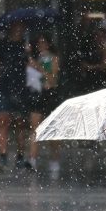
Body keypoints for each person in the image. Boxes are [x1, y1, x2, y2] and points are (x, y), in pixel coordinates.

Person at [0, 21, 32, 169]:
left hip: (21, 87)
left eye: (21, 26)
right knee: (3, 121)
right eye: (16, 26)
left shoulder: (26, 45)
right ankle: (3, 155)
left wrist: (29, 53)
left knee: (20, 123)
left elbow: (32, 65)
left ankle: (20, 156)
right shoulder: (2, 44)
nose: (18, 28)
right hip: (4, 85)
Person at [27, 34, 62, 179]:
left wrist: (40, 68)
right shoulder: (33, 59)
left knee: (51, 130)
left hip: (50, 96)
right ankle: (32, 159)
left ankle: (54, 158)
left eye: (43, 43)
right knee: (35, 128)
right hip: (37, 94)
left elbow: (53, 80)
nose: (41, 46)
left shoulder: (53, 59)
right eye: (39, 43)